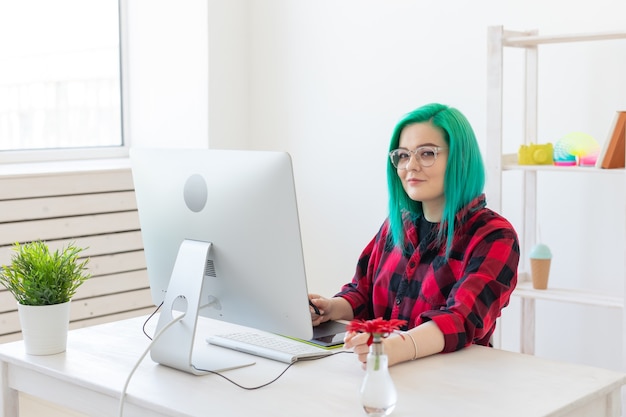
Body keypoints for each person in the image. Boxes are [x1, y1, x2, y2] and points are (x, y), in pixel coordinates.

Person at [309, 103, 519, 367]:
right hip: (383, 371)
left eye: (427, 153)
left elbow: (461, 319)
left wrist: (396, 348)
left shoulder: (495, 236)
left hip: (453, 382)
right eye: (403, 155)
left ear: (460, 159)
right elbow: (362, 292)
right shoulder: (396, 225)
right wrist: (329, 308)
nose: (411, 166)